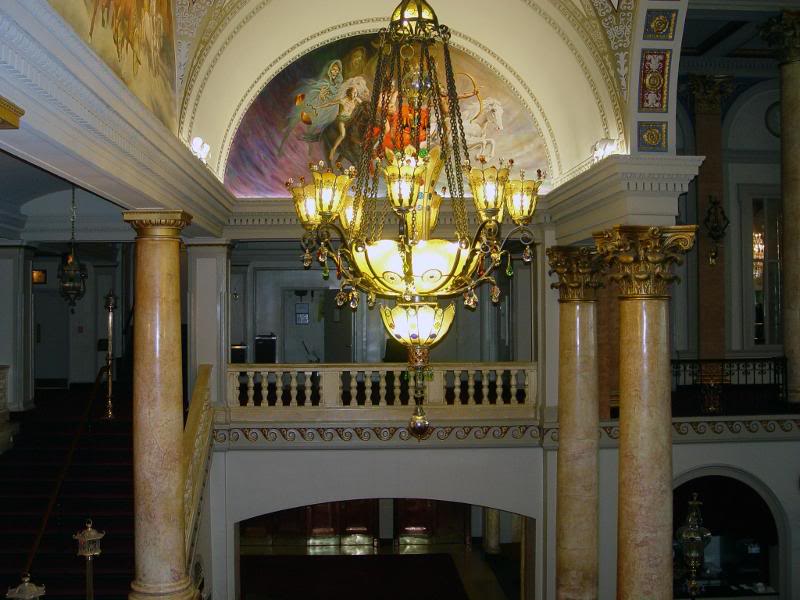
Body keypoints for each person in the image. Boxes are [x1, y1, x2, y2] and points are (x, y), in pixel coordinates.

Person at [277, 59, 344, 156]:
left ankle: (308, 153)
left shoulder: (337, 84)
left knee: (311, 132)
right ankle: (282, 146)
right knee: (293, 123)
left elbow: (334, 97)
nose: (335, 72)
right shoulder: (324, 81)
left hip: (322, 110)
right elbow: (315, 91)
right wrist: (320, 95)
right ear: (330, 70)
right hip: (313, 104)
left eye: (337, 70)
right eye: (333, 70)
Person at [314, 85, 364, 163]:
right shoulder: (343, 100)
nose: (355, 94)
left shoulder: (357, 100)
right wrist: (318, 107)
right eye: (353, 92)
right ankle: (333, 150)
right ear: (349, 93)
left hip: (350, 120)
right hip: (341, 119)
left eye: (356, 93)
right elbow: (330, 104)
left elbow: (364, 106)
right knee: (343, 134)